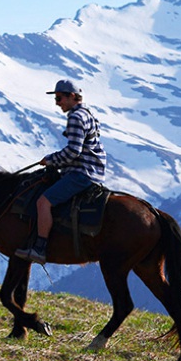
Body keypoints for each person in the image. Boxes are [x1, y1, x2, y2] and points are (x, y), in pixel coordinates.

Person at [15, 79, 106, 264]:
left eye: (59, 98)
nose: (57, 103)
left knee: (43, 202)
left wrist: (51, 160)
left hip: (81, 173)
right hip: (93, 171)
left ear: (72, 96)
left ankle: (39, 247)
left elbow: (73, 151)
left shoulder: (75, 117)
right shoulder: (88, 114)